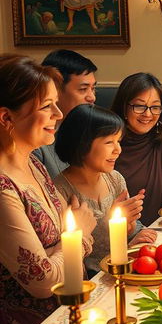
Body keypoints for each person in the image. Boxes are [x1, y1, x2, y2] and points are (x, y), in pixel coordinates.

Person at [0, 55, 96, 324]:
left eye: (56, 103)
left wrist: (71, 241)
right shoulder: (2, 188)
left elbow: (65, 244)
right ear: (6, 118)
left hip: (66, 315)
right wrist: (78, 235)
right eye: (46, 106)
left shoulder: (34, 165)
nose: (58, 114)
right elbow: (43, 281)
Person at [54, 104, 156, 276]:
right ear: (82, 143)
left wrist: (131, 229)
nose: (118, 150)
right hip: (90, 278)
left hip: (123, 267)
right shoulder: (61, 191)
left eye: (118, 141)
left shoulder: (114, 179)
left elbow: (126, 235)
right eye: (109, 142)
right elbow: (71, 254)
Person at [111, 73, 162, 226]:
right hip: (116, 235)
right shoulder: (108, 146)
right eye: (139, 106)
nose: (148, 114)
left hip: (156, 233)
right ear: (124, 107)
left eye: (155, 107)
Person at [34, 49, 98, 179]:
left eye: (93, 89)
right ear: (54, 89)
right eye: (83, 89)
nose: (92, 97)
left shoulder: (95, 131)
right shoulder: (35, 142)